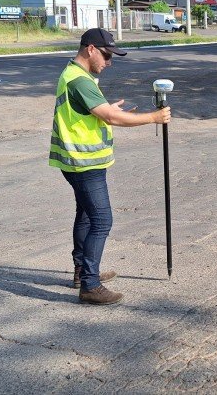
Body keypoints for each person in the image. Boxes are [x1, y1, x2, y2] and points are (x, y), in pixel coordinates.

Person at [50, 28, 171, 305]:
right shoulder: (79, 80)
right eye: (106, 55)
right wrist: (153, 117)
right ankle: (90, 285)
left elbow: (95, 112)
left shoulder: (78, 76)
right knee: (102, 220)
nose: (109, 62)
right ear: (90, 49)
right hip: (83, 164)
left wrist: (109, 109)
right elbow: (109, 118)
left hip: (78, 162)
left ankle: (83, 272)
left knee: (86, 215)